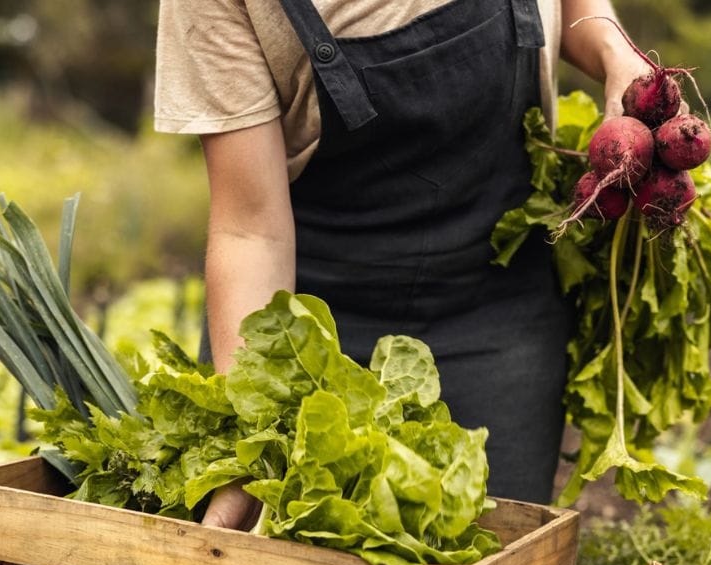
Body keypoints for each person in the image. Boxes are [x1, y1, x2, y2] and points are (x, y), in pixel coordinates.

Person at [154, 0, 650, 529]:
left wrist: (614, 51)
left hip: (502, 312)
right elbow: (249, 229)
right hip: (314, 340)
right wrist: (245, 436)